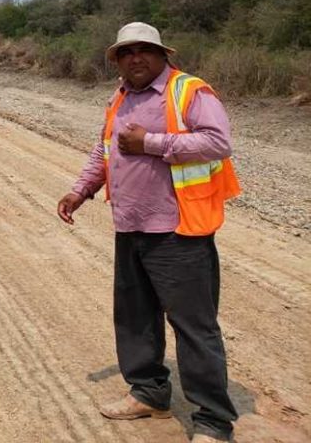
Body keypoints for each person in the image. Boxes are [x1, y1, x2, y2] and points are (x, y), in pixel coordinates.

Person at [57, 22, 242, 443]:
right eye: (126, 53)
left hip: (180, 230)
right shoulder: (120, 98)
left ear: (163, 55)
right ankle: (149, 393)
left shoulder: (190, 91)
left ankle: (213, 420)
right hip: (130, 224)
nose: (135, 58)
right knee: (135, 318)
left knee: (194, 326)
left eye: (144, 50)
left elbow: (218, 142)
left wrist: (152, 143)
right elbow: (104, 150)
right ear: (117, 62)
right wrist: (81, 190)